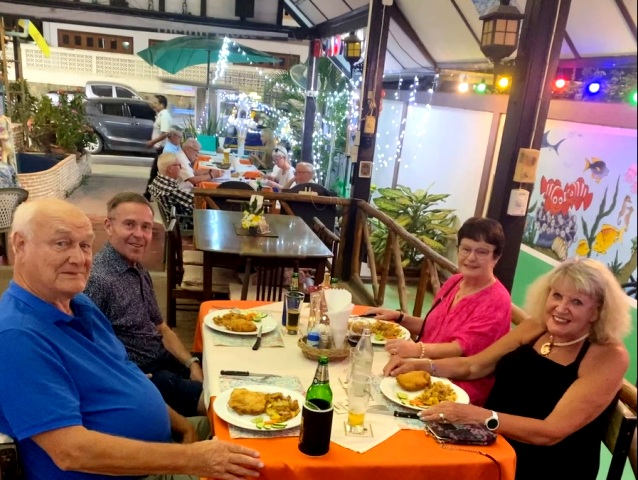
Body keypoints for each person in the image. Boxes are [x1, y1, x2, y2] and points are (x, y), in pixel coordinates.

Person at [0, 198, 263, 480]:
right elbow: (70, 451)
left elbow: (129, 376)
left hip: (166, 447)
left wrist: (184, 427)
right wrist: (192, 459)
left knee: (262, 431)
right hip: (132, 473)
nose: (78, 259)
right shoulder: (18, 337)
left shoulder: (79, 304)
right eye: (61, 243)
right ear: (20, 245)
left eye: (85, 245)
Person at [384, 257, 631, 480]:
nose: (561, 308)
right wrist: (423, 365)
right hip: (490, 442)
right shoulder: (537, 327)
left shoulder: (608, 356)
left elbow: (550, 432)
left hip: (542, 465)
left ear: (597, 311)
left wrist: (480, 416)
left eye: (576, 302)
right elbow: (474, 366)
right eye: (557, 295)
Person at [85, 192, 206, 417]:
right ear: (109, 226)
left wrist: (192, 363)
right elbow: (85, 350)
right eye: (129, 224)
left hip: (163, 359)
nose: (139, 235)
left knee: (222, 370)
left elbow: (161, 328)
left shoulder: (137, 268)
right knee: (218, 402)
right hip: (142, 376)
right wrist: (132, 380)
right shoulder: (98, 280)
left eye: (146, 227)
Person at [367, 217, 511, 406]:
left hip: (455, 387)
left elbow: (460, 349)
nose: (471, 257)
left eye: (481, 252)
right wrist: (400, 318)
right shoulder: (455, 282)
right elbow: (434, 327)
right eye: (466, 249)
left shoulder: (497, 300)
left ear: (496, 257)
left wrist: (417, 350)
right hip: (421, 367)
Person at [148, 152, 194, 221]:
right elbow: (195, 200)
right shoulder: (171, 190)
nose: (181, 168)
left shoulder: (157, 180)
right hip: (184, 221)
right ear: (170, 169)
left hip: (171, 218)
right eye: (179, 165)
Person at [144, 94, 173, 200]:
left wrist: (152, 142)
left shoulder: (164, 116)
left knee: (156, 173)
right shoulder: (160, 115)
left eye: (155, 103)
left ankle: (148, 194)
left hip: (163, 149)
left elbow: (165, 133)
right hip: (161, 148)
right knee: (156, 173)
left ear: (162, 104)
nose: (153, 105)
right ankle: (148, 194)